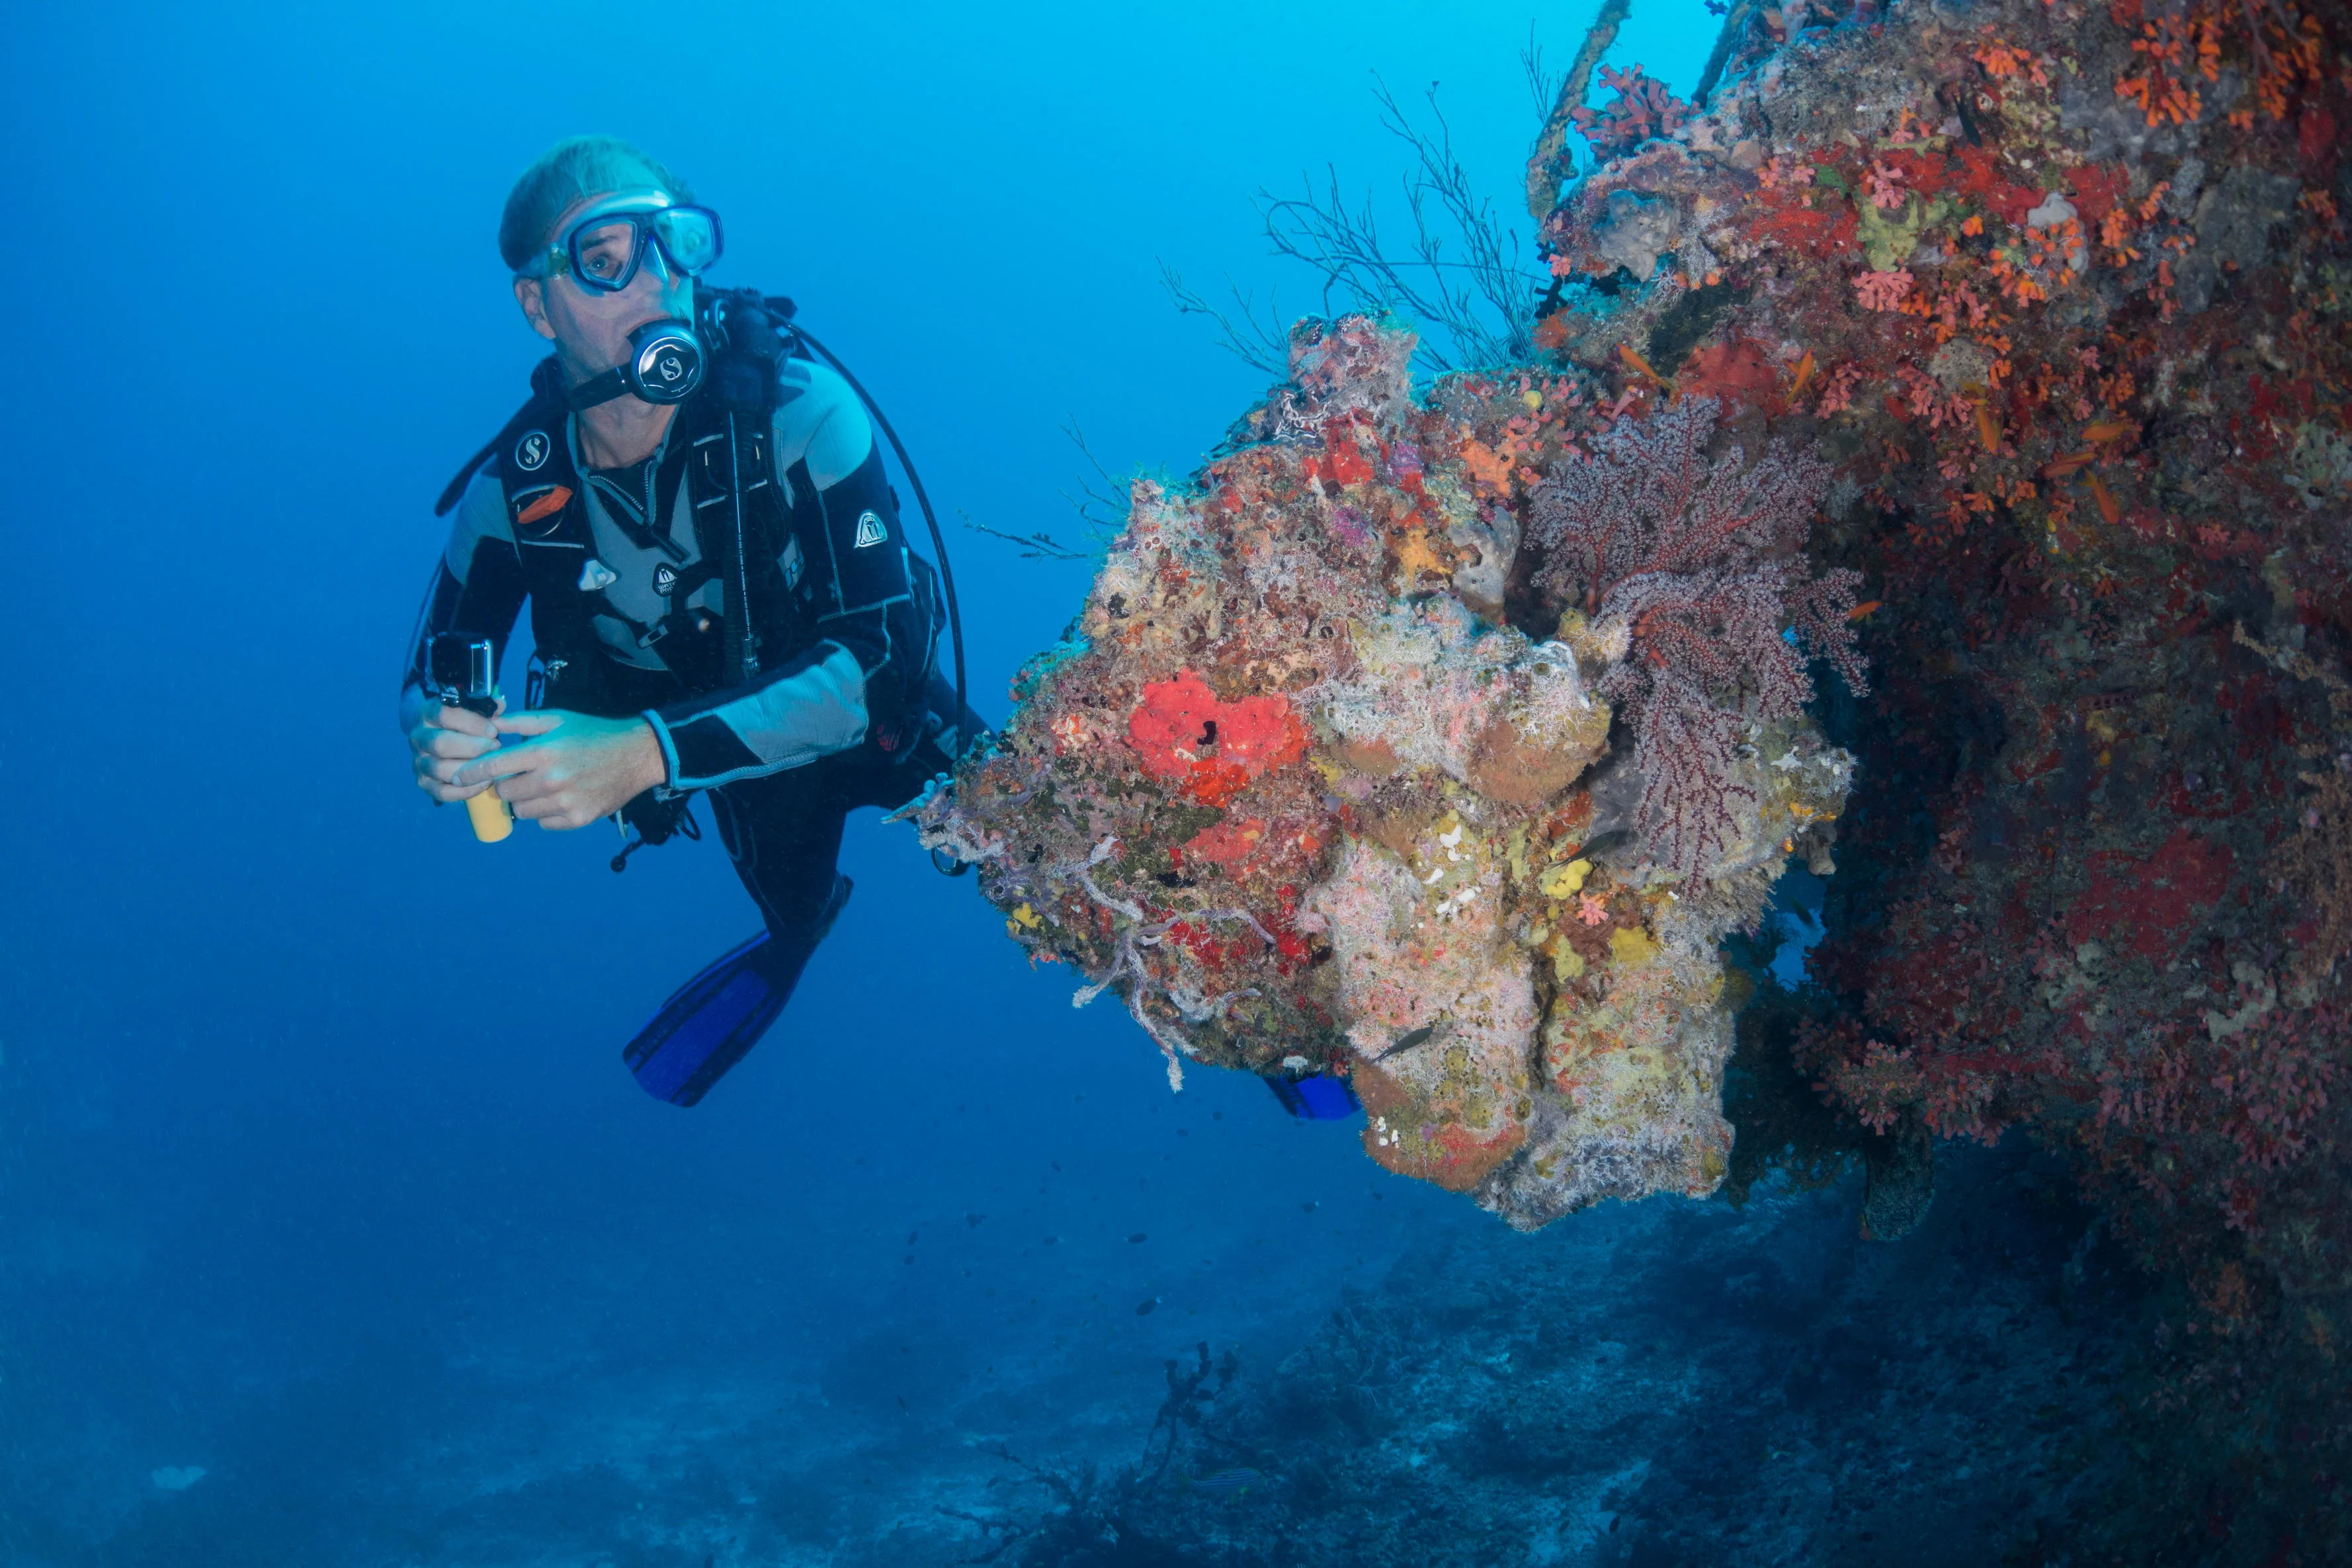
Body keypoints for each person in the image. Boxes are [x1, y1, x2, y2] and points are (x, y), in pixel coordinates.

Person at [402, 136, 979, 1106]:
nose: (656, 283)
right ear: (537, 304)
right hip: (731, 763)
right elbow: (429, 674)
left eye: (673, 244)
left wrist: (636, 755)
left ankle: (1283, 1028)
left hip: (873, 719)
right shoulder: (517, 490)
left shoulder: (800, 408)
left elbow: (882, 661)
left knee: (1049, 843)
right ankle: (794, 937)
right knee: (794, 906)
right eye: (604, 258)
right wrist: (435, 735)